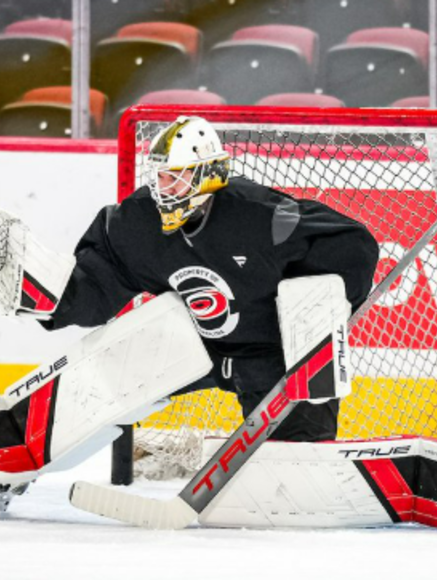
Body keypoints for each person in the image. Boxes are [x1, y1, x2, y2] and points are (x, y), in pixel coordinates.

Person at [38, 116, 379, 441]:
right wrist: (51, 302)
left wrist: (312, 317)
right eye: (159, 176)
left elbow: (353, 247)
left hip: (272, 358)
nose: (163, 188)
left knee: (294, 466)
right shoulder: (139, 221)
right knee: (97, 385)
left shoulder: (263, 215)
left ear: (208, 172)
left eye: (175, 176)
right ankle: (14, 452)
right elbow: (99, 280)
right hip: (192, 346)